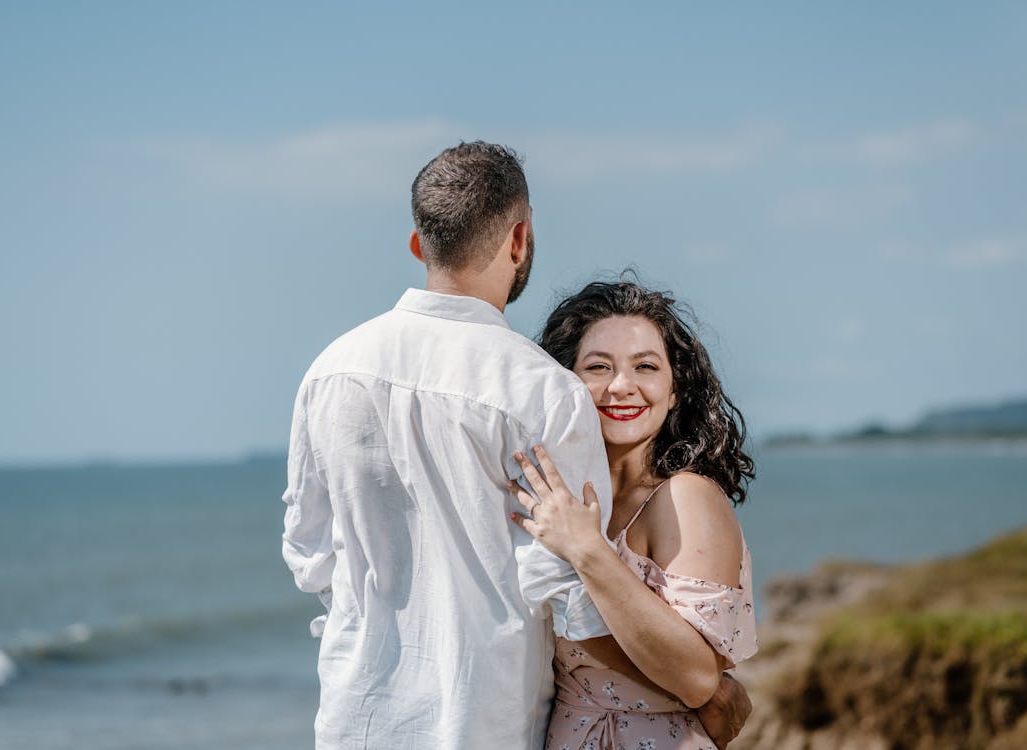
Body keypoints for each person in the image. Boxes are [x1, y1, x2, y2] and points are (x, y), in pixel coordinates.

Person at [281, 142, 749, 749]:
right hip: (488, 723)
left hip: (357, 719)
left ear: (419, 244)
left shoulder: (330, 371)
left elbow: (310, 555)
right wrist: (704, 689)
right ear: (519, 239)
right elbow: (569, 598)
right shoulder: (542, 391)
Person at [509, 279, 758, 750]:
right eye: (598, 367)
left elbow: (697, 676)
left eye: (646, 367)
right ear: (565, 385)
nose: (622, 387)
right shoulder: (557, 497)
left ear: (674, 391)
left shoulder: (685, 497)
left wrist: (587, 550)